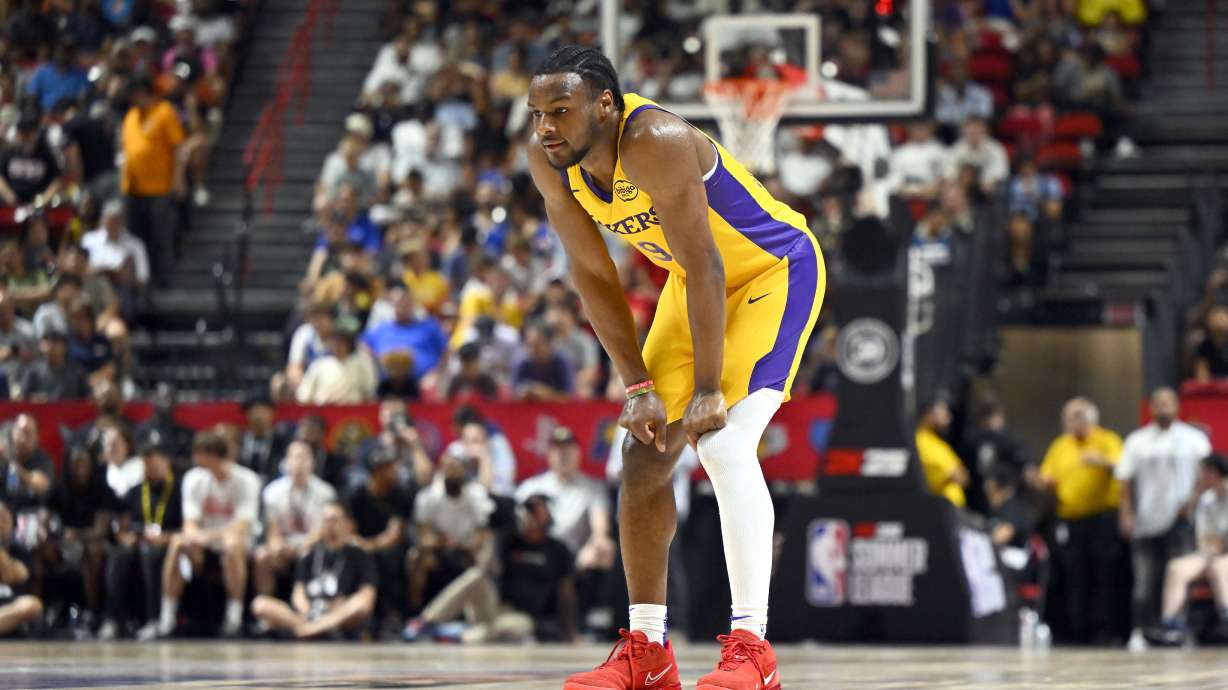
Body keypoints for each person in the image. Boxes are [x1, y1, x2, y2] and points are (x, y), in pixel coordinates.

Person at [527, 46, 824, 690]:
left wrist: (711, 388)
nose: (545, 127)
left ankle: (752, 648)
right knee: (642, 451)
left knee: (722, 444)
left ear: (605, 106)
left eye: (560, 111)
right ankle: (648, 651)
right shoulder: (552, 163)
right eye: (537, 114)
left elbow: (710, 262)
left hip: (772, 272)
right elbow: (594, 278)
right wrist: (637, 387)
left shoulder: (656, 138)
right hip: (696, 286)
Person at [402, 493, 578, 644]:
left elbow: (566, 592)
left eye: (535, 510)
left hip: (523, 617)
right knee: (476, 576)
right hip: (495, 606)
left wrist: (571, 631)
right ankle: (425, 622)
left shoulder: (558, 550)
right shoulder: (510, 540)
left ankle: (458, 634)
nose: (529, 515)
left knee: (515, 628)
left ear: (549, 514)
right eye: (527, 510)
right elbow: (485, 567)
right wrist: (494, 533)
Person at [1116, 388, 1211, 650]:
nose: (1164, 407)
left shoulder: (1193, 439)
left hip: (1181, 521)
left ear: (1178, 406)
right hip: (1146, 520)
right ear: (1151, 408)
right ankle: (1141, 631)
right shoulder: (1137, 441)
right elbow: (1125, 480)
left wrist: (1191, 502)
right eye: (1159, 403)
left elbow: (1206, 475)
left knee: (1179, 579)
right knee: (1145, 582)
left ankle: (1177, 629)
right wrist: (1126, 513)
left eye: (1169, 402)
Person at [153, 432, 262, 638]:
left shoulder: (247, 480)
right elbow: (190, 523)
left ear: (213, 455)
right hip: (203, 546)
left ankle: (234, 618)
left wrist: (209, 536)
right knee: (178, 542)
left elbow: (242, 525)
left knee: (231, 544)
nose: (195, 459)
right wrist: (196, 537)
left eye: (200, 454)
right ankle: (167, 618)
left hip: (235, 544)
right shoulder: (194, 478)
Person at [1039, 397, 1126, 644]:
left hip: (1101, 519)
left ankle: (1105, 632)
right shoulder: (1060, 445)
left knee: (1103, 576)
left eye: (1077, 415)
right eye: (1068, 417)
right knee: (1074, 576)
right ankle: (1077, 631)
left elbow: (1123, 467)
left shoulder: (1107, 440)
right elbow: (1047, 474)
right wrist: (1044, 482)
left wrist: (1102, 461)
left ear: (1091, 417)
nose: (1072, 421)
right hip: (1070, 520)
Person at [251, 502, 378, 639]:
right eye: (326, 521)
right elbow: (298, 592)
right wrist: (307, 610)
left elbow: (367, 596)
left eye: (335, 520)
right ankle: (319, 630)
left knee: (360, 606)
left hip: (340, 614)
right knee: (260, 604)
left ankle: (310, 630)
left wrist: (341, 607)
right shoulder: (310, 554)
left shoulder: (359, 555)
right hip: (309, 614)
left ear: (347, 524)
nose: (330, 525)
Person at [100, 439, 183, 640]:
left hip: (168, 543)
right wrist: (124, 536)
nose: (150, 469)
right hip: (139, 541)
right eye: (146, 465)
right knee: (119, 556)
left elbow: (186, 527)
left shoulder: (178, 490)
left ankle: (154, 619)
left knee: (150, 554)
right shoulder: (136, 490)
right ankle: (113, 619)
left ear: (166, 463)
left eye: (155, 464)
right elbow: (122, 523)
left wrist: (165, 538)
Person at [406, 452, 494, 619]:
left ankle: (475, 616)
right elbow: (424, 534)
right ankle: (415, 614)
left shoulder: (476, 495)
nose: (452, 474)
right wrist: (439, 542)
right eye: (449, 469)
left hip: (466, 549)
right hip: (439, 549)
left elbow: (481, 535)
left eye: (457, 469)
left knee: (485, 554)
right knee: (417, 557)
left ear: (464, 472)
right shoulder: (429, 496)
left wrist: (464, 545)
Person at [516, 427, 614, 571]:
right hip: (535, 553)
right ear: (549, 454)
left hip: (572, 560)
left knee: (605, 550)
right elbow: (515, 523)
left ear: (578, 453)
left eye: (568, 450)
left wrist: (598, 543)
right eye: (558, 450)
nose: (563, 455)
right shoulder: (531, 487)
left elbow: (600, 530)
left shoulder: (593, 488)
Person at [1155, 453, 1228, 645]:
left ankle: (1225, 617)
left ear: (1214, 473)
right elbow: (1204, 537)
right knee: (1176, 567)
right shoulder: (1206, 500)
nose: (1200, 477)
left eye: (1203, 472)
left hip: (1224, 557)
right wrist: (1213, 546)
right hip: (1211, 553)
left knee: (1219, 567)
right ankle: (1171, 625)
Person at [121, 76, 186, 287]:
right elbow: (127, 151)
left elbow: (178, 147)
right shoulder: (130, 117)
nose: (132, 99)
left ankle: (166, 281)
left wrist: (178, 179)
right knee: (137, 239)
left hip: (160, 188)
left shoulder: (164, 112)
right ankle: (142, 282)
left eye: (134, 94)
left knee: (162, 237)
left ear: (144, 92)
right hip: (133, 188)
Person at [253, 442, 337, 601]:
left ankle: (314, 605)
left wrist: (302, 547)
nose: (300, 463)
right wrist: (277, 545)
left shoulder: (326, 492)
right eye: (295, 457)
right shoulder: (272, 491)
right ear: (286, 462)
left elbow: (323, 530)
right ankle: (266, 606)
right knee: (262, 556)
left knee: (314, 554)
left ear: (313, 463)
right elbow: (272, 529)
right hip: (285, 546)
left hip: (314, 545)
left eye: (305, 458)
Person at [345, 448, 414, 630]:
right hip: (359, 544)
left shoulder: (400, 495)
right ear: (376, 471)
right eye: (390, 468)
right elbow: (348, 529)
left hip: (387, 547)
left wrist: (370, 546)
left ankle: (391, 614)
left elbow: (394, 534)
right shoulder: (357, 495)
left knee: (389, 557)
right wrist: (359, 544)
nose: (395, 471)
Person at [915, 398, 970, 508]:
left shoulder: (938, 442)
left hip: (953, 509)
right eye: (943, 411)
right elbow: (958, 475)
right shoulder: (921, 440)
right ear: (929, 414)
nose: (949, 417)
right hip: (941, 509)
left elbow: (965, 477)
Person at [0, 500, 42, 637]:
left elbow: (16, 575)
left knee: (32, 605)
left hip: (9, 605)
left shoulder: (19, 552)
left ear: (12, 523)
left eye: (3, 519)